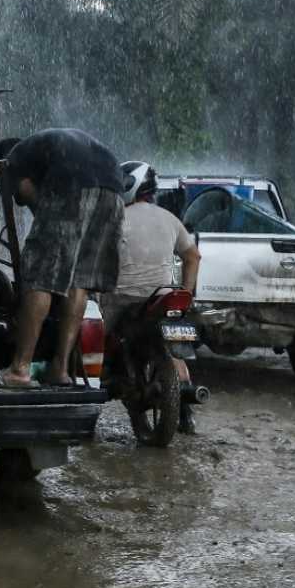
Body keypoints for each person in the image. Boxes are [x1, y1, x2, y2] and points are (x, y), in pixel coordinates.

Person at [0, 128, 125, 387]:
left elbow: (27, 193)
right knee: (79, 280)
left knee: (40, 276)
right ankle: (60, 368)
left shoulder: (12, 158)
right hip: (114, 189)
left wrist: (46, 233)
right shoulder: (45, 148)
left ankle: (19, 370)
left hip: (73, 185)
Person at [101, 161, 202, 433]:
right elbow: (193, 256)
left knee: (94, 343)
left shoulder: (115, 218)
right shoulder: (170, 218)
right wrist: (187, 292)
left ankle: (93, 386)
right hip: (163, 298)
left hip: (121, 299)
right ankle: (186, 414)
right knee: (173, 346)